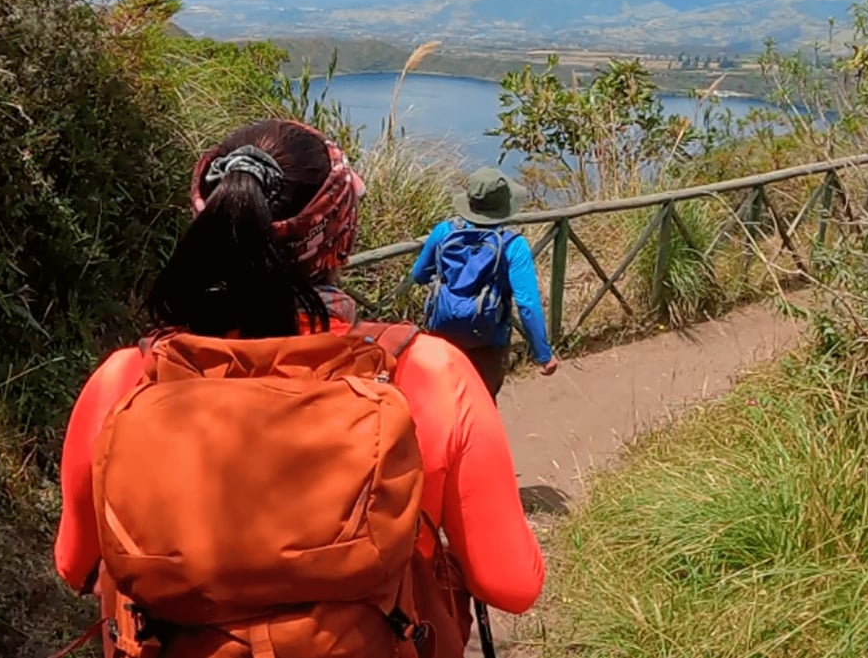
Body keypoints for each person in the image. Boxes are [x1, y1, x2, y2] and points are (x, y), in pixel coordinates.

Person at [53, 119, 544, 658]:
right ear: (342, 237)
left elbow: (76, 564)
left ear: (212, 223)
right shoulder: (427, 373)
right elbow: (512, 585)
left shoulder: (128, 379)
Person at [412, 167, 558, 400]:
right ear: (503, 207)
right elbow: (527, 304)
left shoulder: (444, 231)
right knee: (482, 407)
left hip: (441, 336)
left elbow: (418, 274)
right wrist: (543, 355)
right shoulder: (513, 245)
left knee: (443, 404)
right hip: (489, 342)